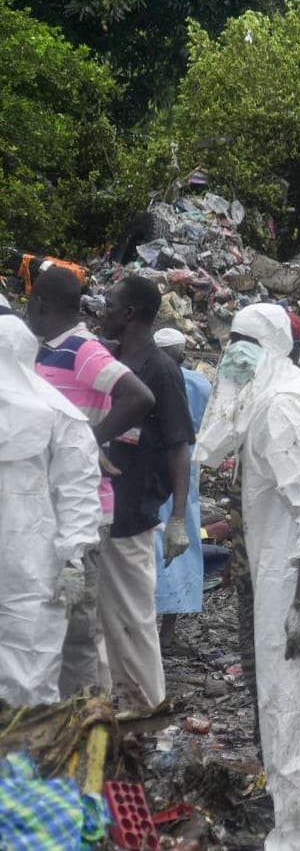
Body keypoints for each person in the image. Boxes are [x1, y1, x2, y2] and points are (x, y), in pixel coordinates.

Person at [196, 303, 300, 851]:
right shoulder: (282, 393)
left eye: (247, 341)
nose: (234, 353)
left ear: (268, 347)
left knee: (293, 724)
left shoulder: (280, 408)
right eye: (232, 339)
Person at [27, 265, 155, 699]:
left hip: (84, 512)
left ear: (39, 303)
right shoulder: (43, 352)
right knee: (54, 626)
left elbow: (139, 396)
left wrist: (82, 442)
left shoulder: (83, 349)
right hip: (51, 508)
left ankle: (86, 735)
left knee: (79, 631)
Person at [93, 275, 193, 710]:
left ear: (130, 313)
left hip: (133, 512)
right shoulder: (108, 359)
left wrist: (177, 519)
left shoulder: (162, 370)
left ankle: (149, 714)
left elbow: (179, 447)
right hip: (94, 510)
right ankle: (105, 714)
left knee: (133, 621)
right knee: (93, 623)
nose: (104, 311)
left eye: (110, 304)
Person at [0, 314, 103, 706]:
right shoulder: (62, 413)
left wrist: (73, 559)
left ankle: (26, 762)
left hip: (35, 568)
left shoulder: (60, 415)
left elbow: (77, 491)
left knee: (30, 676)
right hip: (31, 568)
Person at [152, 328, 214, 645]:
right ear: (183, 354)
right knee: (179, 547)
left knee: (150, 546)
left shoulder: (144, 374)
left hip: (152, 470)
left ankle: (147, 629)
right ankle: (168, 632)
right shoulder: (197, 382)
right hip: (184, 471)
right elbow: (206, 426)